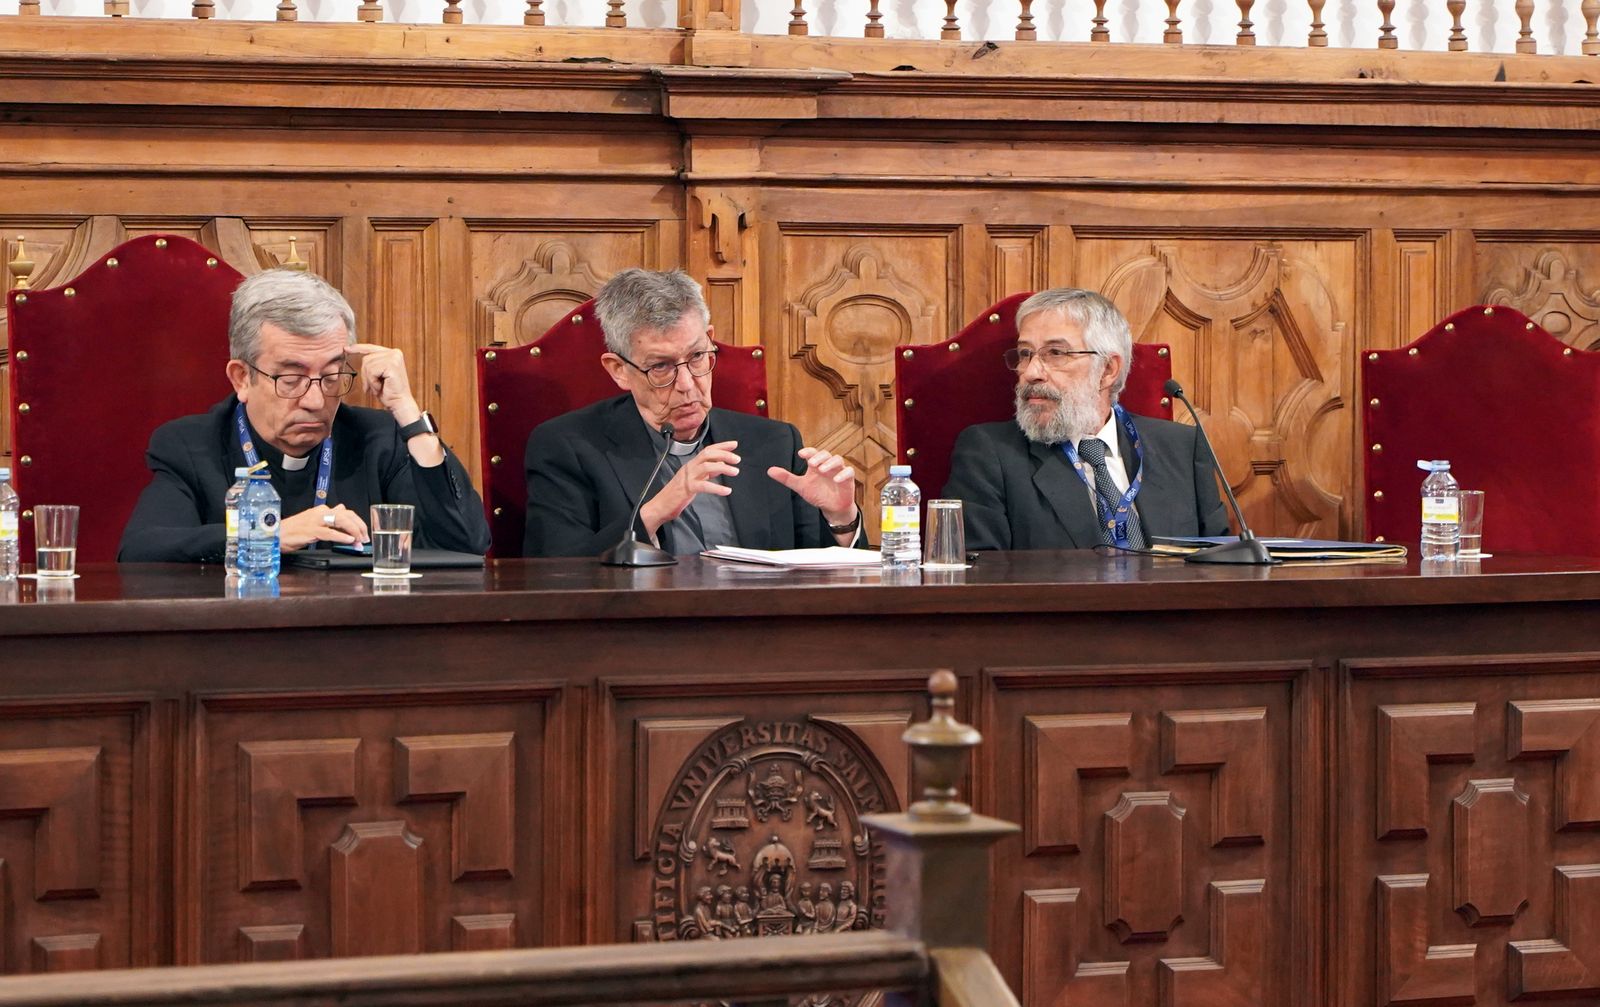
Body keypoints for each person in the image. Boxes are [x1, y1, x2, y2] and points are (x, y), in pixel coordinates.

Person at [119, 269, 490, 562]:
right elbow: (141, 549)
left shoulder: (380, 441)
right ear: (242, 378)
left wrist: (410, 416)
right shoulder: (191, 445)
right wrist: (266, 535)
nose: (315, 400)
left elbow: (466, 544)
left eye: (331, 376)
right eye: (292, 378)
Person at [523, 268, 864, 557]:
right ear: (618, 370)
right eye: (661, 366)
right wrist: (655, 511)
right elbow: (555, 576)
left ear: (710, 339)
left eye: (698, 356)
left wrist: (841, 517)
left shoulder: (773, 443)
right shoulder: (569, 448)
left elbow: (821, 577)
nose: (687, 384)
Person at [943, 287, 1229, 551]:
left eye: (1055, 353)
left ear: (1107, 369)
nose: (1031, 372)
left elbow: (1222, 564)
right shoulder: (990, 454)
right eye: (1025, 354)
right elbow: (980, 575)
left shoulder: (1182, 447)